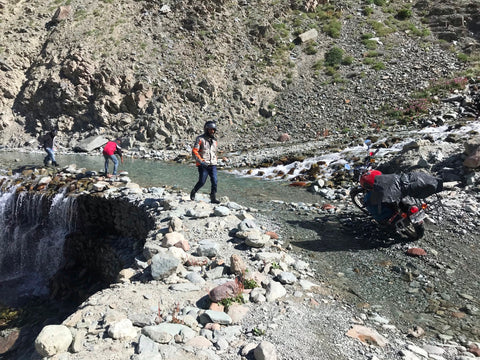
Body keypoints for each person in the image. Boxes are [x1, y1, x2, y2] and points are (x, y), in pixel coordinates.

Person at [190, 121, 226, 204]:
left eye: (213, 130)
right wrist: (201, 161)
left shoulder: (215, 140)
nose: (212, 131)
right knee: (202, 181)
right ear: (206, 129)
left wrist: (218, 159)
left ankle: (213, 198)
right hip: (203, 164)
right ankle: (194, 191)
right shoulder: (200, 139)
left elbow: (214, 152)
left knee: (215, 181)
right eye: (210, 130)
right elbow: (195, 151)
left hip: (213, 164)